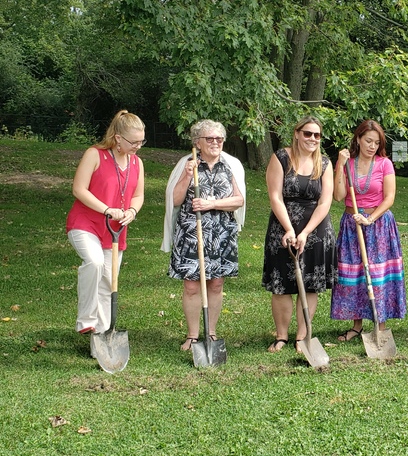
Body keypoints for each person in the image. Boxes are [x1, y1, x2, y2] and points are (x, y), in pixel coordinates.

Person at [162, 120, 246, 351]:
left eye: (219, 139)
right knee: (191, 285)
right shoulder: (186, 164)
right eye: (210, 139)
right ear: (197, 142)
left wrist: (212, 204)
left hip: (221, 232)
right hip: (191, 232)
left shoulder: (231, 166)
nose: (216, 143)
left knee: (216, 284)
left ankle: (211, 332)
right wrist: (187, 177)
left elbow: (239, 201)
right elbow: (175, 200)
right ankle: (192, 335)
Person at [66, 110, 145, 344]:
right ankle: (86, 319)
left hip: (115, 229)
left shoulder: (137, 163)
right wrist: (106, 209)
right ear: (118, 138)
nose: (138, 146)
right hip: (86, 222)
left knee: (109, 281)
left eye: (142, 141)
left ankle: (101, 335)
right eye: (134, 142)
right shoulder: (95, 154)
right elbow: (79, 189)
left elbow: (138, 195)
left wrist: (132, 211)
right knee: (95, 262)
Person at [262, 116, 335, 352]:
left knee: (311, 284)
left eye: (317, 135)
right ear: (296, 133)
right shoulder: (281, 158)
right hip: (282, 228)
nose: (312, 139)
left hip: (315, 230)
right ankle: (281, 335)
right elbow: (275, 196)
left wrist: (305, 233)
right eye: (307, 133)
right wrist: (290, 230)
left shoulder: (324, 163)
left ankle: (302, 337)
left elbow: (325, 202)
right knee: (281, 283)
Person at [330, 120, 407, 341]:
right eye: (368, 141)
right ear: (358, 139)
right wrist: (339, 165)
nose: (372, 146)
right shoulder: (348, 164)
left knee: (378, 273)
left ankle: (380, 324)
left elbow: (389, 198)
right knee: (354, 273)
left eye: (377, 142)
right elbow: (338, 195)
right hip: (351, 223)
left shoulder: (385, 164)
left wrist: (370, 219)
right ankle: (356, 326)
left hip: (379, 224)